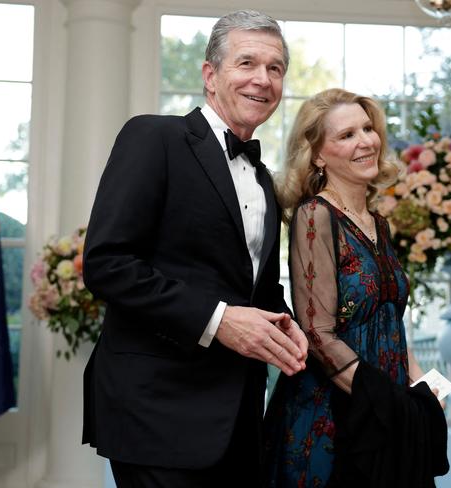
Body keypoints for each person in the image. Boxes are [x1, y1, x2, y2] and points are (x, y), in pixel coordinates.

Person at [82, 10, 308, 487]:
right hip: (156, 410)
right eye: (246, 63)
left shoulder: (264, 181)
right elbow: (108, 264)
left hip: (239, 419)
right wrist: (219, 319)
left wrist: (290, 329)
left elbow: (258, 292)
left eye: (275, 68)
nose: (262, 80)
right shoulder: (153, 137)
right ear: (210, 75)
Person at [263, 88, 449, 487]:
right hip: (332, 419)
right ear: (317, 154)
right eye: (346, 135)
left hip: (386, 410)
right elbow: (317, 334)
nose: (365, 141)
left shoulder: (379, 222)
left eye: (367, 128)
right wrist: (392, 403)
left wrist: (426, 390)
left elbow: (390, 324)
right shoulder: (315, 216)